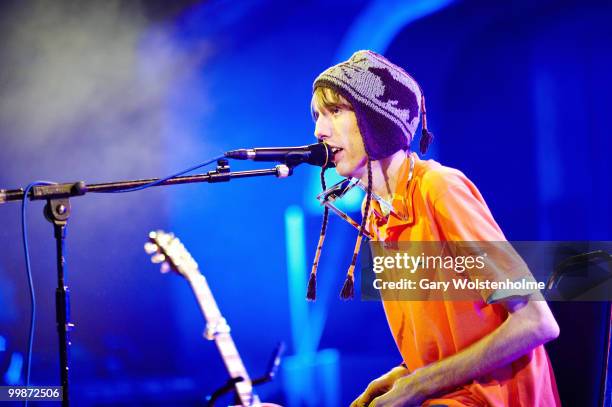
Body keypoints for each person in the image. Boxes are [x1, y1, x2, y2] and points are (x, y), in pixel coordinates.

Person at [306, 50, 561, 406]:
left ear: (377, 120)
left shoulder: (439, 188)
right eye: (318, 116)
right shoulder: (377, 216)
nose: (319, 130)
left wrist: (420, 384)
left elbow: (537, 322)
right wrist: (404, 375)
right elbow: (454, 338)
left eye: (335, 112)